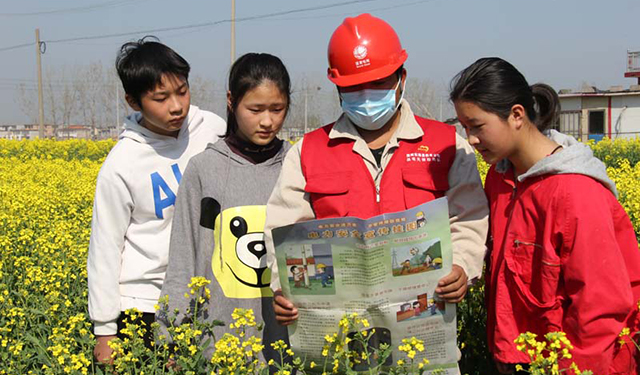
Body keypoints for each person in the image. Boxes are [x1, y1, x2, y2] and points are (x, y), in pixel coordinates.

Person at [265, 13, 488, 326]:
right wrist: (284, 288)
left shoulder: (447, 145)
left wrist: (462, 266)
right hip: (339, 331)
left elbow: (469, 218)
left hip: (424, 323)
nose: (367, 96)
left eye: (379, 83)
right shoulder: (307, 152)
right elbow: (282, 233)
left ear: (402, 78)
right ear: (338, 87)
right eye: (355, 87)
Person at [450, 57, 640, 374]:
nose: (470, 138)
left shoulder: (575, 193)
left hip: (568, 365)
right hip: (515, 356)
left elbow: (600, 308)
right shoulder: (500, 178)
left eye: (477, 126)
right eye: (465, 128)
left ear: (516, 115)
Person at [87, 37, 226, 363]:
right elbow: (105, 249)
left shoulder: (212, 129)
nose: (177, 106)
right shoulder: (122, 164)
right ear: (134, 102)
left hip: (208, 295)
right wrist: (105, 330)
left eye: (182, 91)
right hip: (145, 304)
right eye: (160, 98)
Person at [158, 53, 291, 363]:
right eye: (255, 109)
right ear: (231, 101)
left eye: (277, 109)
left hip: (285, 346)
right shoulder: (204, 169)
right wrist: (172, 335)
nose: (267, 121)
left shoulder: (297, 165)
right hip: (218, 342)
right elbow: (184, 256)